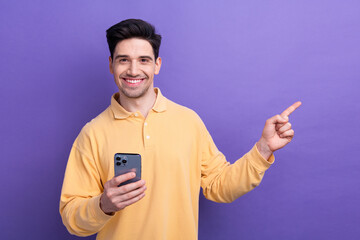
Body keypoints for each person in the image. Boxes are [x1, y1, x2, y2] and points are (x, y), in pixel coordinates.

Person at [59, 19, 301, 240]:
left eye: (143, 60)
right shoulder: (92, 133)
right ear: (111, 65)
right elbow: (72, 217)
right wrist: (103, 205)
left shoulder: (188, 121)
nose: (133, 70)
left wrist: (263, 149)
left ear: (157, 65)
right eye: (124, 60)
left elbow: (220, 186)